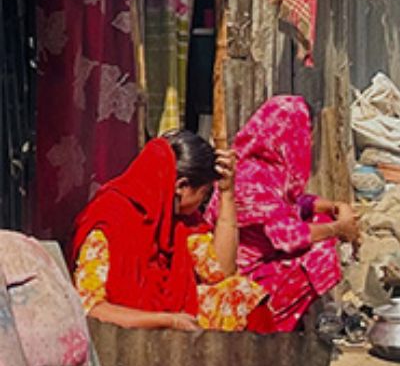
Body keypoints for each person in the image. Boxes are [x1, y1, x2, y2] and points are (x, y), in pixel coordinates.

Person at [72, 130, 270, 332]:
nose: (202, 203)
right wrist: (168, 320)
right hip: (123, 326)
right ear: (181, 186)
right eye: (204, 194)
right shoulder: (109, 218)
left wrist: (227, 194)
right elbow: (90, 306)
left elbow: (219, 272)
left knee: (242, 295)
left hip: (170, 306)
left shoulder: (181, 219)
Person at [215, 95, 360, 332]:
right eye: (306, 132)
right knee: (320, 251)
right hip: (241, 277)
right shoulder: (249, 176)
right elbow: (287, 236)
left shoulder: (271, 169)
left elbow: (296, 203)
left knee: (321, 222)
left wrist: (336, 207)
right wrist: (338, 229)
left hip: (264, 262)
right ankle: (269, 330)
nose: (309, 141)